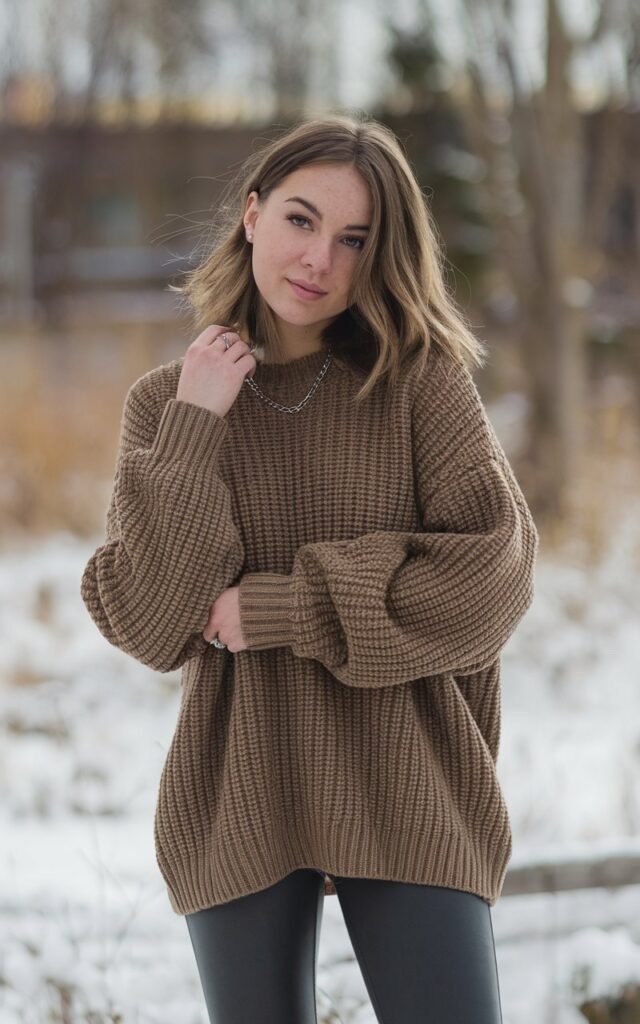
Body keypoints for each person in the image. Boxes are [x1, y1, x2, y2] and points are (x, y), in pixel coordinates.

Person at [80, 112, 539, 1024]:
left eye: (354, 239)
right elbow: (147, 620)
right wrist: (195, 426)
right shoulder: (169, 406)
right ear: (251, 216)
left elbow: (494, 576)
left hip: (411, 787)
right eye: (300, 220)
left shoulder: (420, 382)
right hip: (240, 793)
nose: (319, 259)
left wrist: (289, 609)